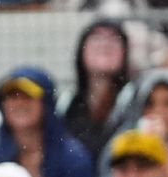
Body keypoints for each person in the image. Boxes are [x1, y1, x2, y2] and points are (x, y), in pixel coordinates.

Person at [56, 18, 131, 165]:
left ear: (125, 52)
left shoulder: (136, 99)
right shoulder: (66, 104)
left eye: (114, 38)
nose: (105, 44)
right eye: (96, 37)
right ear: (81, 51)